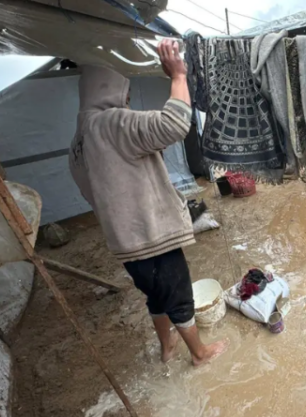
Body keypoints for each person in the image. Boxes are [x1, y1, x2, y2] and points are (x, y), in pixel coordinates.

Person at [69, 40, 228, 366]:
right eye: (123, 90)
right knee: (179, 294)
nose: (126, 98)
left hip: (125, 242)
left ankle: (167, 346)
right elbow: (175, 124)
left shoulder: (80, 138)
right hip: (151, 236)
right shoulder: (111, 123)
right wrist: (178, 76)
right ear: (107, 88)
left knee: (155, 294)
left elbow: (87, 189)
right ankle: (199, 354)